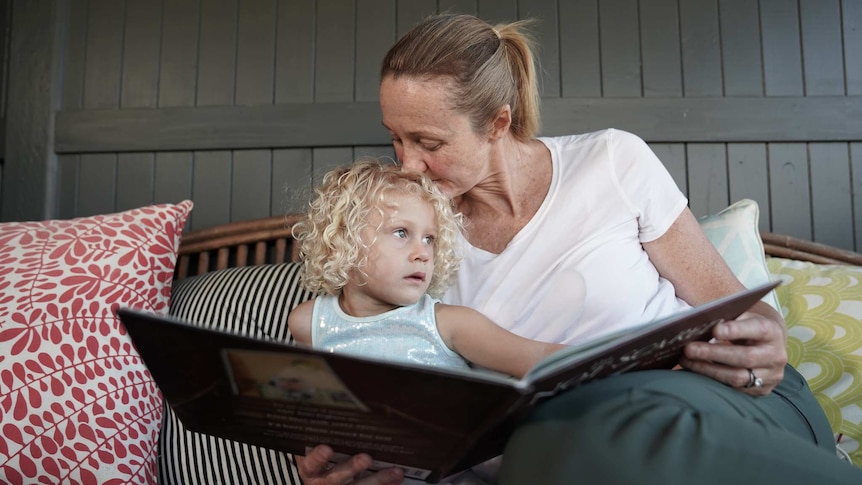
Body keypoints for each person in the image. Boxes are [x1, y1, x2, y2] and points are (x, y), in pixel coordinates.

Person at [295, 13, 862, 485]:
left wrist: (765, 335)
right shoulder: (412, 240)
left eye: (428, 142)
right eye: (396, 137)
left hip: (726, 400)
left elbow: (735, 304)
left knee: (576, 435)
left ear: (497, 123)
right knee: (553, 443)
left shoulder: (612, 161)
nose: (407, 163)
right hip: (558, 451)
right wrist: (360, 460)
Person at [288, 159, 566, 379]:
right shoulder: (308, 323)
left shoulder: (448, 324)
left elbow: (537, 356)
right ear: (342, 241)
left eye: (429, 239)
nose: (423, 253)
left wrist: (607, 361)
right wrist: (308, 453)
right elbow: (310, 408)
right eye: (401, 233)